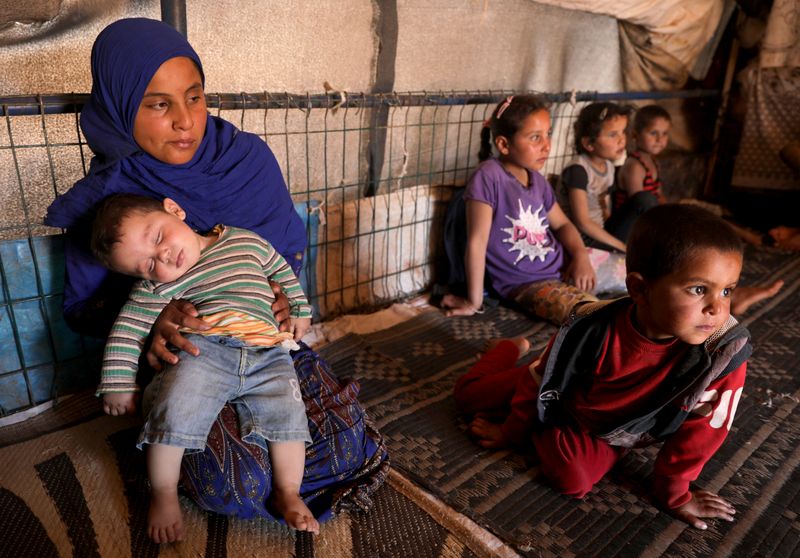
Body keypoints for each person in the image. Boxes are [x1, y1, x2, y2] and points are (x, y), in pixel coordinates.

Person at [44, 17, 387, 523]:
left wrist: (284, 298)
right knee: (236, 482)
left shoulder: (246, 159)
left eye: (195, 96)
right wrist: (153, 325)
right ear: (120, 108)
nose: (186, 120)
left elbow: (284, 256)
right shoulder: (108, 204)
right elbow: (85, 308)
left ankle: (279, 476)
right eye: (159, 104)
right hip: (191, 357)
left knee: (346, 443)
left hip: (264, 341)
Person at [454, 203, 751, 530]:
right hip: (562, 399)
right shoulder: (589, 328)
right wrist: (512, 431)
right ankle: (507, 349)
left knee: (572, 479)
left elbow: (704, 431)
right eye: (699, 289)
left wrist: (675, 493)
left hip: (614, 428)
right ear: (639, 288)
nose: (717, 308)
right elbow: (541, 382)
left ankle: (595, 438)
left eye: (727, 290)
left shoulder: (722, 349)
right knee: (467, 397)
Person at [91, 194, 318, 542]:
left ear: (174, 210)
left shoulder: (245, 240)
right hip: (205, 350)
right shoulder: (160, 285)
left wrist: (300, 309)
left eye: (157, 238)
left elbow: (281, 271)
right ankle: (164, 493)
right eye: (149, 265)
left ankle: (288, 491)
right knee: (175, 407)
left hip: (269, 352)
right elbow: (128, 327)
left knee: (289, 414)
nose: (163, 257)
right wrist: (117, 382)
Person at [440, 94, 599, 324]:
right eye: (536, 137)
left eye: (548, 134)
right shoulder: (488, 177)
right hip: (528, 284)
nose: (547, 145)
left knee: (638, 275)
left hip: (564, 264)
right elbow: (477, 242)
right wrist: (474, 302)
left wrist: (581, 256)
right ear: (504, 144)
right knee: (591, 317)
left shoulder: (536, 179)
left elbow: (563, 224)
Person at [560, 102, 649, 253]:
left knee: (644, 199)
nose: (622, 140)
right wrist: (620, 246)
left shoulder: (608, 166)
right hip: (581, 237)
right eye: (613, 135)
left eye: (622, 132)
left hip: (601, 230)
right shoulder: (578, 170)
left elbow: (606, 208)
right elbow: (582, 222)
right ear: (589, 143)